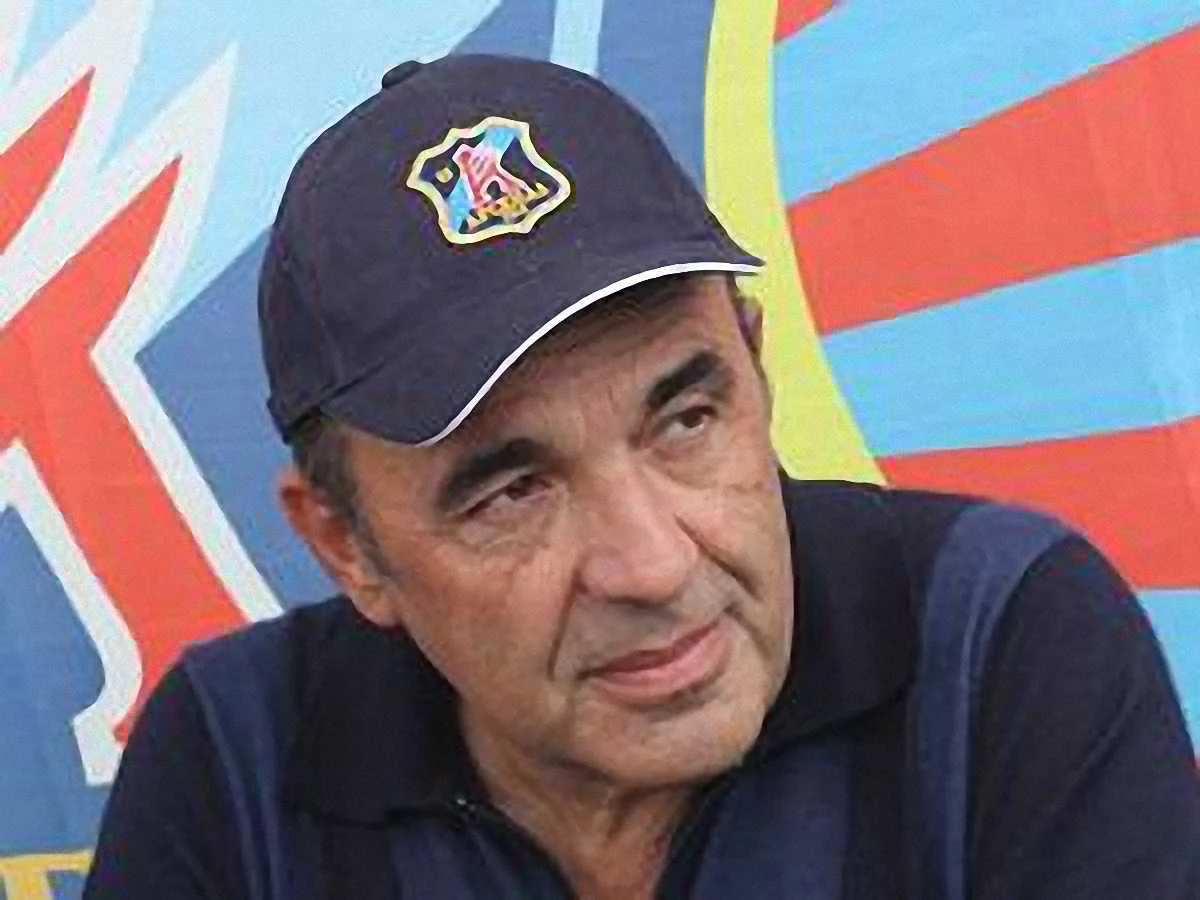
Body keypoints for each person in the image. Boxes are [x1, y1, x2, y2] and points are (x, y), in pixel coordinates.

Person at [84, 54, 1200, 900]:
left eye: (686, 420)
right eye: (511, 492)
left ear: (756, 368)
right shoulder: (233, 758)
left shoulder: (997, 637)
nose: (654, 564)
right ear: (346, 545)